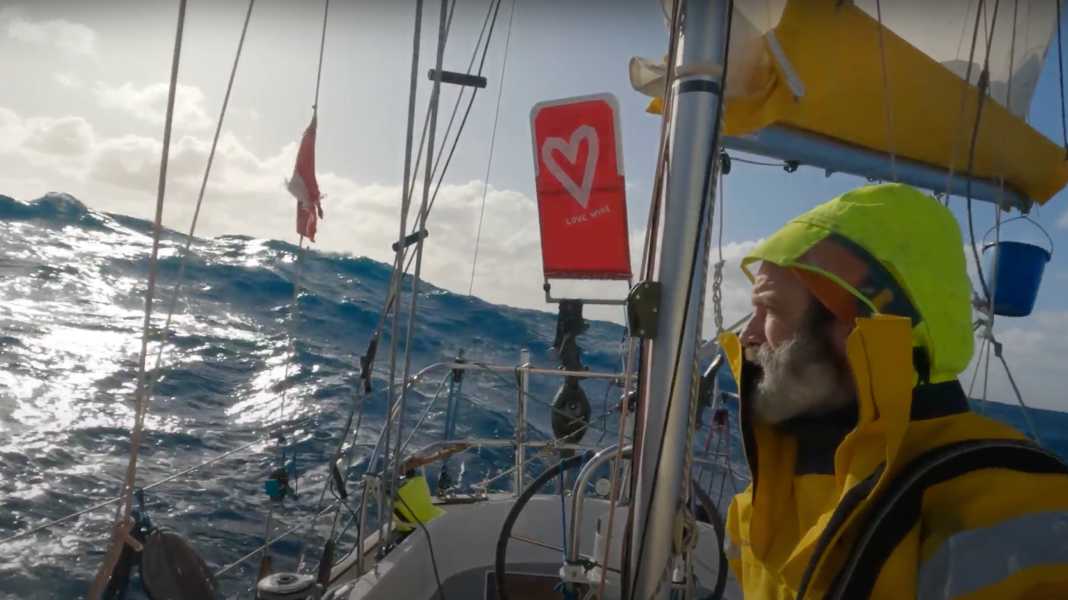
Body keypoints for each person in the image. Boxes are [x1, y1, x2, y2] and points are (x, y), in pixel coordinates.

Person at [719, 183, 1068, 598]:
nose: (747, 335)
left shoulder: (1011, 513)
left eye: (771, 309)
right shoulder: (769, 490)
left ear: (859, 329)